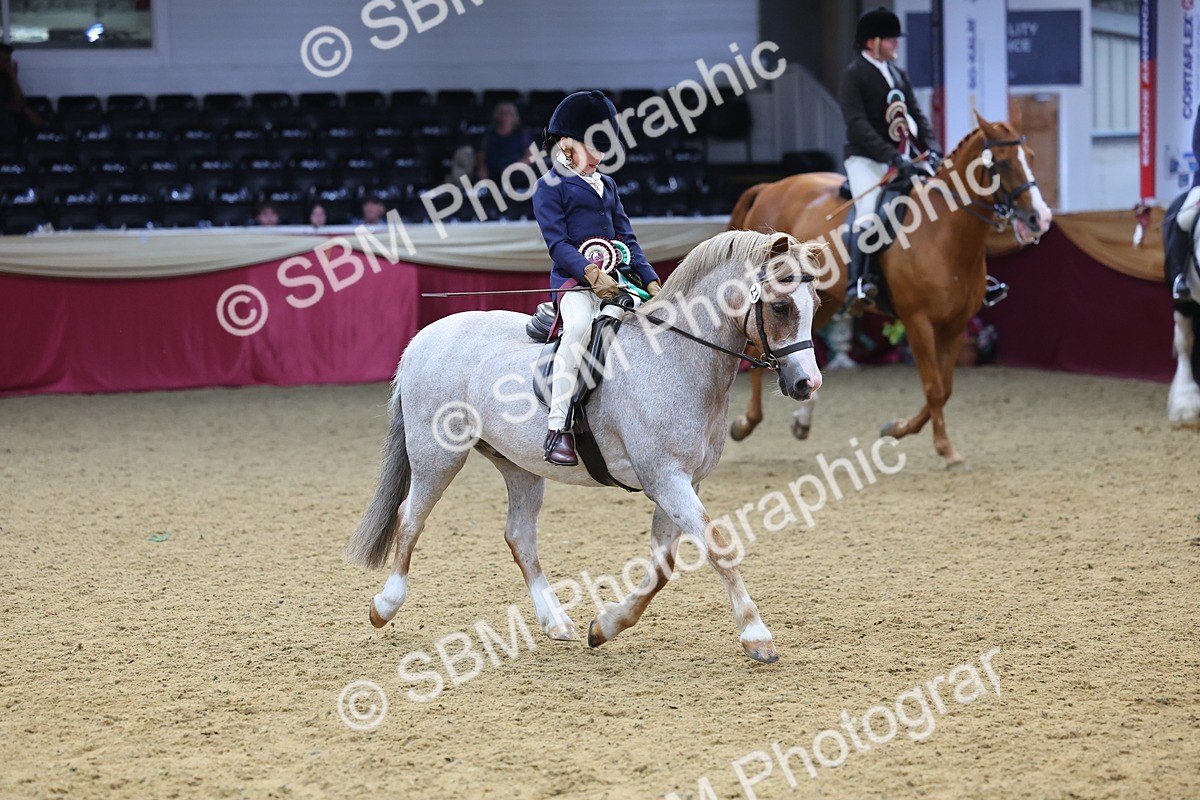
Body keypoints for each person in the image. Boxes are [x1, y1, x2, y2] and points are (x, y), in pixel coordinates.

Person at [839, 7, 1006, 315]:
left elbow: (917, 115)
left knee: (949, 201)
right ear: (872, 42)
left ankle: (978, 279)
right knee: (868, 213)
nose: (895, 45)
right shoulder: (854, 75)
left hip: (907, 156)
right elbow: (857, 124)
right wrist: (892, 157)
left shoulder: (897, 74)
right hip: (867, 160)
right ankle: (859, 283)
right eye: (890, 40)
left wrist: (931, 147)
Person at [532, 90, 660, 466]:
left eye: (604, 149)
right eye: (593, 148)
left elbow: (627, 239)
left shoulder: (609, 185)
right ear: (567, 143)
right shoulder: (549, 187)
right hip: (575, 286)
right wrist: (591, 275)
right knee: (578, 331)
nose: (600, 157)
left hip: (620, 282)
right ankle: (559, 428)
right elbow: (557, 244)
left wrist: (651, 282)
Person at [476, 101, 533, 182]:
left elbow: (529, 156)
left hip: (515, 170)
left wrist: (514, 168)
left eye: (508, 113)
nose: (505, 116)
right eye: (501, 113)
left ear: (514, 116)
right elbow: (481, 153)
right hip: (492, 169)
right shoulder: (490, 133)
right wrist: (482, 168)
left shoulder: (522, 134)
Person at [0, 44, 42, 143]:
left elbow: (20, 102)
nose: (6, 63)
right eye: (2, 60)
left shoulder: (6, 77)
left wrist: (13, 78)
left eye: (7, 60)